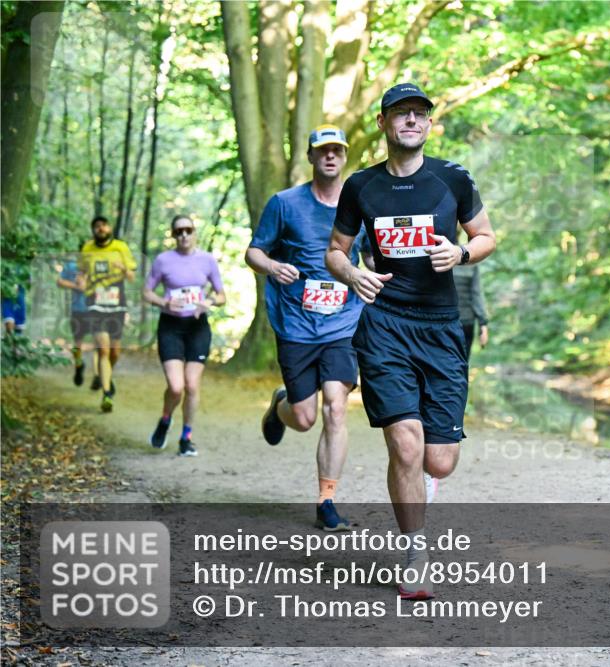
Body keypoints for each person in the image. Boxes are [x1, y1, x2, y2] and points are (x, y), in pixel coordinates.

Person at [325, 83, 496, 600]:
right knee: (404, 442)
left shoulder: (453, 179)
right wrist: (352, 275)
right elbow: (336, 250)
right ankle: (415, 552)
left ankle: (421, 479)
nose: (413, 121)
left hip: (442, 327)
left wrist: (462, 255)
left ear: (429, 124)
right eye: (402, 113)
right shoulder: (361, 186)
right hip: (385, 326)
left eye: (421, 113)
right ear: (383, 123)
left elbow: (485, 237)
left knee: (438, 460)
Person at [246, 125, 365, 531]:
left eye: (337, 150)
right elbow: (254, 251)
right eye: (322, 151)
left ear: (344, 156)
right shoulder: (284, 203)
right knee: (304, 418)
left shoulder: (359, 205)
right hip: (296, 324)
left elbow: (370, 258)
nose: (330, 157)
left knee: (336, 406)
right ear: (311, 157)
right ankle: (281, 406)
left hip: (342, 325)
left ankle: (326, 501)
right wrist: (273, 266)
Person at [142, 215, 226, 457]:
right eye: (178, 231)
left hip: (197, 327)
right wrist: (164, 302)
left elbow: (221, 296)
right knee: (176, 387)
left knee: (191, 385)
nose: (184, 235)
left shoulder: (207, 260)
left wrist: (208, 302)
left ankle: (186, 437)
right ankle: (165, 419)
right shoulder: (163, 261)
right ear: (173, 235)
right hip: (170, 326)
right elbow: (147, 292)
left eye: (188, 230)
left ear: (194, 232)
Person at [77, 215, 136, 413]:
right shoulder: (87, 248)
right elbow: (82, 272)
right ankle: (107, 393)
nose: (100, 229)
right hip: (95, 302)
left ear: (109, 228)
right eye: (96, 226)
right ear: (93, 230)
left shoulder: (121, 247)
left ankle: (106, 376)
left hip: (117, 302)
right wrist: (82, 281)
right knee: (102, 350)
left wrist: (123, 269)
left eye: (103, 225)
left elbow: (132, 277)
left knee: (114, 352)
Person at [57, 242, 97, 386]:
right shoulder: (72, 266)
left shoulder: (98, 267)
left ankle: (98, 374)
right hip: (78, 310)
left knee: (97, 342)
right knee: (77, 343)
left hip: (95, 310)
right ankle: (78, 366)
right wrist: (76, 286)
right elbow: (59, 281)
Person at [453, 262, 489, 360]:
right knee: (463, 360)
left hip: (445, 321)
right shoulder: (471, 262)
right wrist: (483, 324)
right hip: (466, 322)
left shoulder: (441, 259)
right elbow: (477, 294)